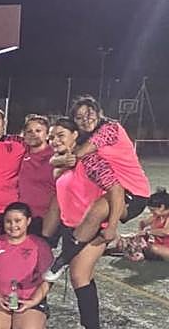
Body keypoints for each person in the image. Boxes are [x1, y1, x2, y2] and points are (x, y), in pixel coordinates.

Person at [42, 118, 130, 329]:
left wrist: (111, 226)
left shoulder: (89, 159)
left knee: (80, 276)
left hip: (93, 229)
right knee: (78, 277)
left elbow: (116, 190)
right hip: (72, 227)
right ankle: (87, 325)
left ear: (75, 135)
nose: (55, 140)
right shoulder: (62, 163)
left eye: (61, 135)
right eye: (51, 137)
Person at [43, 98, 152, 279]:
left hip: (136, 192)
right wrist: (55, 161)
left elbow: (77, 154)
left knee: (97, 210)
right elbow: (65, 162)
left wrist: (111, 228)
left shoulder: (111, 128)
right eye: (79, 118)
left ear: (98, 112)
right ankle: (117, 244)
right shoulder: (87, 136)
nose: (86, 119)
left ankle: (62, 260)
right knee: (90, 212)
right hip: (116, 189)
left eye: (89, 114)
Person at [0, 203, 54, 329]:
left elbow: (48, 279)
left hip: (29, 301)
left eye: (18, 221)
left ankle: (30, 319)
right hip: (0, 300)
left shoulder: (40, 245)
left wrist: (33, 301)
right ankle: (7, 321)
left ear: (28, 221)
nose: (13, 225)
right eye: (8, 221)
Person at [16, 113, 56, 238]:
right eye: (29, 131)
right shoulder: (21, 154)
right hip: (23, 217)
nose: (33, 134)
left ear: (47, 134)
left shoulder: (55, 156)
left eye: (38, 130)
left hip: (45, 217)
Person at [112, 187, 169, 262]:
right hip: (159, 246)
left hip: (163, 249)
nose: (151, 212)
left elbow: (166, 232)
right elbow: (142, 223)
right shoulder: (157, 216)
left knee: (152, 248)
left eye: (153, 210)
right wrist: (140, 236)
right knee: (125, 242)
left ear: (162, 207)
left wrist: (147, 232)